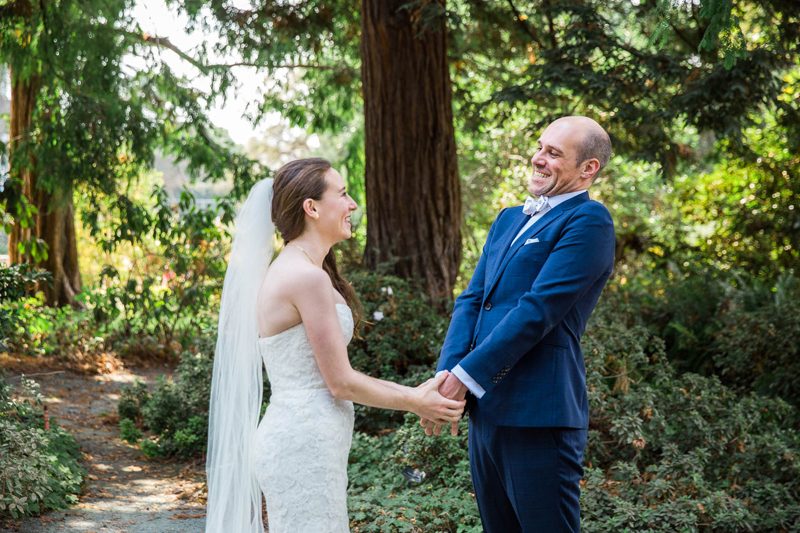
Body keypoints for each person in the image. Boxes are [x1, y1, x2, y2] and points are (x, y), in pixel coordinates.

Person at [205, 158, 465, 533]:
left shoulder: (301, 269)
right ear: (311, 208)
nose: (352, 204)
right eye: (342, 194)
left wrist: (415, 394)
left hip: (308, 439)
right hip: (303, 445)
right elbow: (340, 382)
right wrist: (415, 399)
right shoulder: (305, 278)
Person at [422, 116, 616, 532]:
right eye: (540, 147)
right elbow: (473, 299)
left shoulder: (589, 222)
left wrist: (465, 376)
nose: (539, 158)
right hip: (486, 410)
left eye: (554, 153)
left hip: (538, 413)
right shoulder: (508, 218)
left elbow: (538, 310)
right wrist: (448, 374)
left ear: (588, 169)